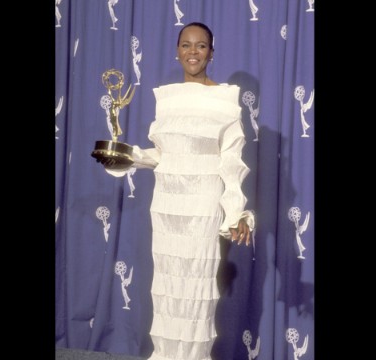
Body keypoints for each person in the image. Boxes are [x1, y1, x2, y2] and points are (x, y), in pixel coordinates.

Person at [98, 22, 254, 360]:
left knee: (195, 296)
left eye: (201, 46)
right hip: (167, 207)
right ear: (177, 51)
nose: (193, 52)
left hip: (202, 208)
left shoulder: (225, 100)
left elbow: (230, 162)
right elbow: (164, 155)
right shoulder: (166, 99)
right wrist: (129, 157)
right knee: (168, 295)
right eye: (186, 45)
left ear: (211, 53)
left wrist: (236, 211)